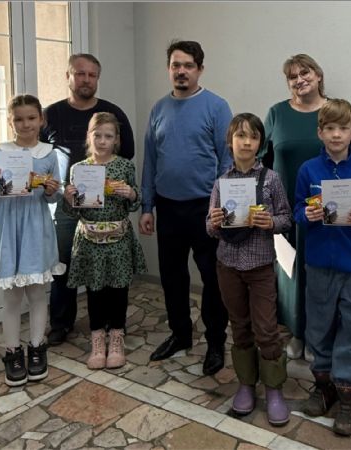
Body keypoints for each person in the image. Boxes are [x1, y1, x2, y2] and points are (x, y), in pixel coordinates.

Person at [140, 40, 232, 376]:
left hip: (205, 209)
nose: (181, 71)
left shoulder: (216, 107)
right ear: (169, 69)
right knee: (172, 276)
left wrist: (222, 206)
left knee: (212, 278)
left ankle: (215, 341)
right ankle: (180, 334)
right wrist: (147, 205)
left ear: (200, 69)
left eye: (188, 65)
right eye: (176, 65)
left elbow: (227, 160)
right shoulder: (159, 109)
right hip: (168, 208)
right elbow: (151, 161)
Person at [295, 99, 351, 436]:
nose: (336, 134)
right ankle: (324, 385)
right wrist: (307, 214)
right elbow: (297, 210)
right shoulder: (308, 171)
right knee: (319, 325)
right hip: (319, 263)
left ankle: (349, 395)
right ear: (320, 132)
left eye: (343, 128)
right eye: (330, 128)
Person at [42, 53, 135, 346]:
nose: (86, 80)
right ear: (68, 76)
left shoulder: (113, 112)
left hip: (107, 208)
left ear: (98, 78)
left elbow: (127, 154)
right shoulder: (51, 114)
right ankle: (61, 322)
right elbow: (39, 156)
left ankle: (108, 322)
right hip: (67, 204)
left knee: (106, 268)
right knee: (63, 265)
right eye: (80, 73)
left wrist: (113, 187)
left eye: (92, 75)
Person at [207, 113, 293, 426]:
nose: (246, 142)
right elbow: (209, 226)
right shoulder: (221, 182)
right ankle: (246, 383)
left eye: (253, 137)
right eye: (240, 136)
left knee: (266, 329)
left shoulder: (271, 179)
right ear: (229, 142)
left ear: (261, 143)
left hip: (260, 267)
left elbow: (286, 218)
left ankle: (274, 389)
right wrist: (215, 222)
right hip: (228, 266)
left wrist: (270, 222)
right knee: (239, 325)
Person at [0, 94, 65, 386]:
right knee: (12, 296)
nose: (25, 124)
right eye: (19, 119)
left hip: (36, 227)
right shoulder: (0, 152)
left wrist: (51, 189)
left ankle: (37, 347)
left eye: (31, 118)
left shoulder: (49, 154)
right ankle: (12, 351)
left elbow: (55, 197)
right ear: (10, 122)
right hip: (8, 228)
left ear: (41, 120)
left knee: (37, 294)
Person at [63, 112, 147, 370]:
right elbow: (72, 213)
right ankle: (98, 340)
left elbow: (135, 203)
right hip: (89, 241)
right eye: (97, 135)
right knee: (95, 291)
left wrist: (131, 194)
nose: (102, 141)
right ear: (89, 137)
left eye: (108, 136)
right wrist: (69, 199)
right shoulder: (79, 169)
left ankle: (117, 338)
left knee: (119, 290)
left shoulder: (125, 167)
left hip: (118, 240)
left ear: (116, 140)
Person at [261, 54, 328, 360]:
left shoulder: (333, 110)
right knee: (290, 275)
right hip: (284, 208)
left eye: (305, 72)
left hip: (324, 208)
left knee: (321, 274)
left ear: (318, 75)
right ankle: (297, 332)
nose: (300, 80)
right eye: (292, 76)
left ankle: (317, 335)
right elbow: (261, 158)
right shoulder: (276, 113)